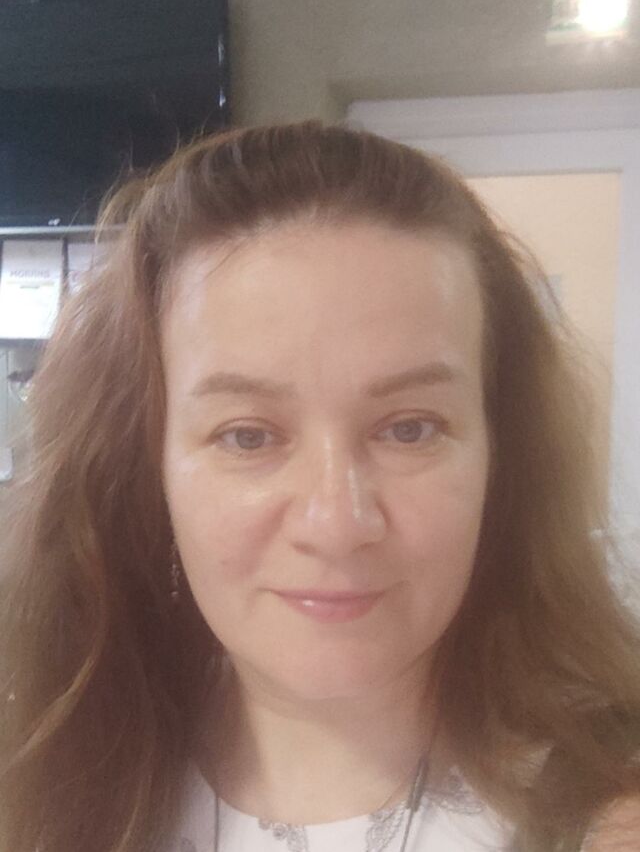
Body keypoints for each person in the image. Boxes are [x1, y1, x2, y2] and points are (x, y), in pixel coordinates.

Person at [1, 121, 639, 852]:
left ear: (502, 457)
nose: (336, 523)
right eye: (247, 435)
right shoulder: (50, 773)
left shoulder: (607, 813)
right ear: (148, 471)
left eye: (410, 429)